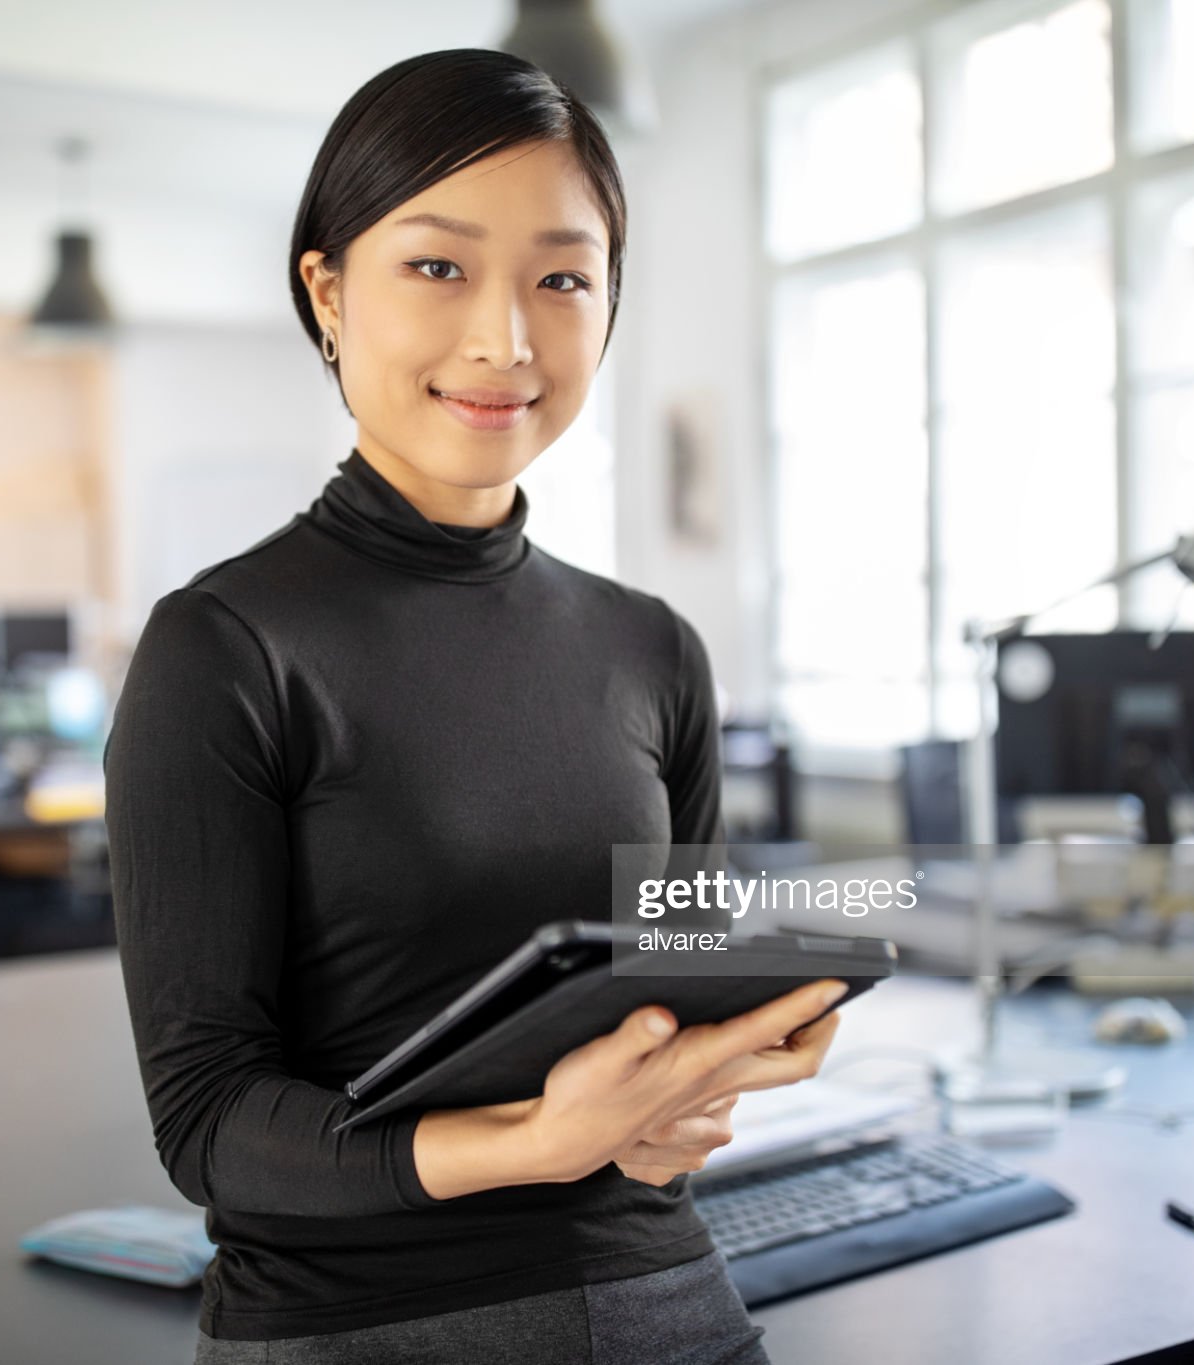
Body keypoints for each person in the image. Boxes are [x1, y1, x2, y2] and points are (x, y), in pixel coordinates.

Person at [105, 48, 844, 1365]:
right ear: (326, 289)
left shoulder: (654, 650)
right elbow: (210, 1122)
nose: (506, 337)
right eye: (438, 266)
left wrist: (711, 1081)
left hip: (662, 1294)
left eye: (562, 277)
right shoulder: (222, 650)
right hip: (357, 1325)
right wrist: (532, 1140)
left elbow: (680, 1008)